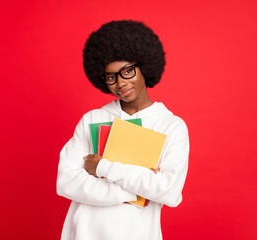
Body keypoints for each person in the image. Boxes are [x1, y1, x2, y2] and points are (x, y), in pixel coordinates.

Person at [56, 20, 189, 240]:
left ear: (144, 66)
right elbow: (66, 182)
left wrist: (102, 167)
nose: (120, 83)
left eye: (127, 71)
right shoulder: (92, 119)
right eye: (111, 77)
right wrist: (136, 190)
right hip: (83, 233)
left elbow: (170, 192)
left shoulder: (171, 126)